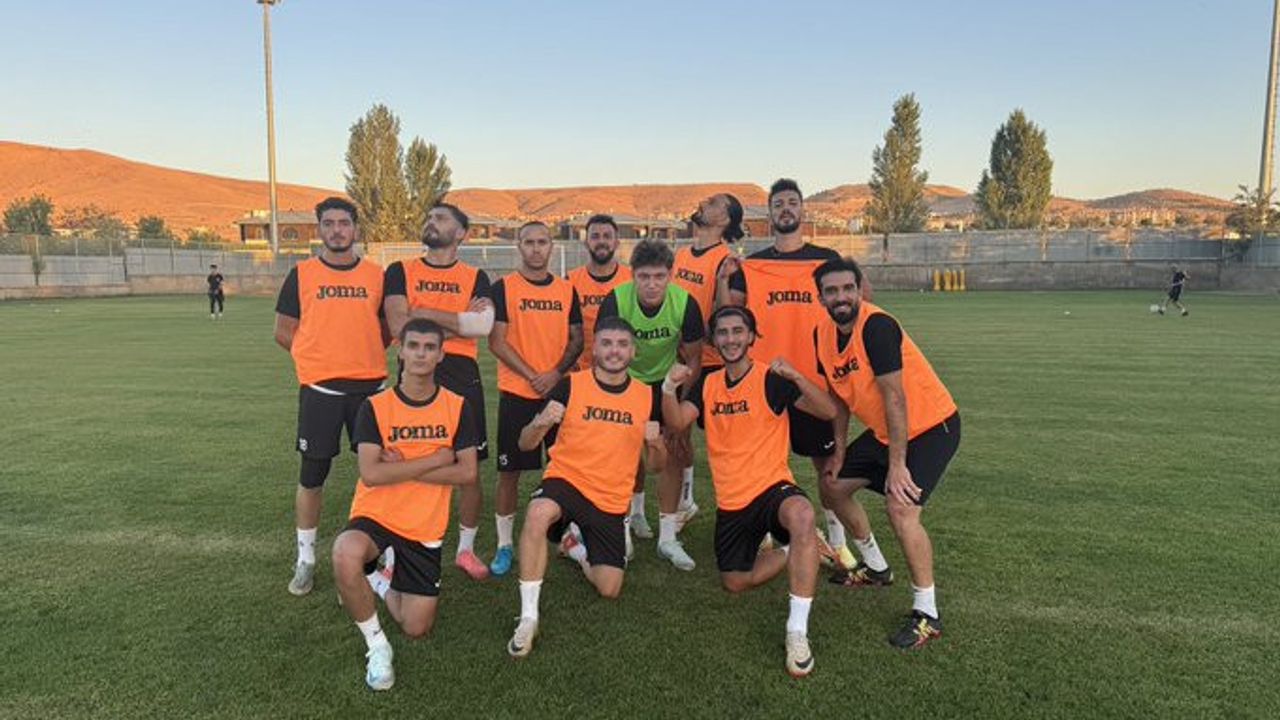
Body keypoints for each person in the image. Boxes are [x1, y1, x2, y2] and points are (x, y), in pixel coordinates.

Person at [661, 306, 837, 677]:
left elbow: (827, 411)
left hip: (772, 488)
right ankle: (797, 548)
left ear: (752, 336)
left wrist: (797, 376)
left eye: (738, 331)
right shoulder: (708, 384)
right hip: (732, 502)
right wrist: (668, 387)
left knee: (802, 514)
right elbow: (676, 423)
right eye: (722, 332)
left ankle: (797, 630)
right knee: (735, 582)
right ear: (714, 340)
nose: (731, 339)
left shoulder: (771, 379)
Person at [813, 257, 961, 650]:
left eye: (848, 288)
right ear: (821, 297)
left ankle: (927, 613)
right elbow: (837, 400)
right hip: (887, 431)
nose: (842, 297)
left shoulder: (877, 326)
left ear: (859, 288)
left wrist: (897, 466)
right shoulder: (821, 334)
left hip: (931, 426)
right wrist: (839, 452)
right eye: (832, 291)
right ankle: (876, 568)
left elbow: (895, 398)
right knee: (832, 486)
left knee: (901, 508)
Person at [332, 318, 479, 690]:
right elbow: (371, 474)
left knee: (416, 626)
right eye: (413, 346)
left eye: (430, 347)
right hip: (377, 513)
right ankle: (377, 646)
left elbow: (467, 473)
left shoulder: (458, 406)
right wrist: (435, 459)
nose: (421, 354)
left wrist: (401, 468)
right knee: (345, 552)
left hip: (424, 525)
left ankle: (377, 579)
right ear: (401, 350)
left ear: (441, 354)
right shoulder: (375, 406)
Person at [718, 178, 857, 571]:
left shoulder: (826, 260)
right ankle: (762, 532)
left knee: (827, 468)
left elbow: (858, 306)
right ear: (770, 213)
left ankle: (837, 541)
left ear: (802, 210)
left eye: (792, 202)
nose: (785, 209)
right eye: (778, 203)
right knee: (759, 463)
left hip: (814, 383)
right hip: (766, 385)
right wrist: (724, 280)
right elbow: (731, 315)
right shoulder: (753, 266)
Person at [506, 316, 666, 658]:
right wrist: (541, 421)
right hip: (567, 480)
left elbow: (656, 467)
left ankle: (575, 548)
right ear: (595, 349)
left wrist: (655, 445)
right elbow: (524, 443)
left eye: (622, 344)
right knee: (538, 513)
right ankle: (528, 617)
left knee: (609, 588)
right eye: (606, 343)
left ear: (633, 351)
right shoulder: (570, 386)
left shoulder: (645, 396)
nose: (614, 351)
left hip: (611, 497)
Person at [274, 196, 388, 597]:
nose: (337, 230)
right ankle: (305, 558)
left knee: (377, 476)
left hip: (371, 389)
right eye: (329, 223)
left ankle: (374, 557)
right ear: (319, 228)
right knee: (312, 475)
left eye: (344, 223)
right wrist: (318, 360)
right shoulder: (302, 274)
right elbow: (283, 331)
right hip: (321, 390)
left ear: (356, 228)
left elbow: (386, 328)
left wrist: (362, 353)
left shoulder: (376, 275)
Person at [383, 202, 494, 581]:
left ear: (461, 233)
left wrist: (423, 312)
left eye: (441, 218)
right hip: (413, 374)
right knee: (403, 462)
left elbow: (482, 326)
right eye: (429, 217)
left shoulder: (476, 276)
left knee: (469, 470)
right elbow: (399, 327)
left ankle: (465, 549)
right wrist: (459, 322)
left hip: (462, 376)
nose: (431, 222)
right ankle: (396, 552)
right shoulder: (400, 270)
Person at [596, 239, 705, 570]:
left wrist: (679, 409)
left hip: (664, 383)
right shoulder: (616, 300)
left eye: (659, 276)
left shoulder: (684, 302)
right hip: (625, 382)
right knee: (625, 453)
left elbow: (694, 358)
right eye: (644, 276)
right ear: (633, 275)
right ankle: (630, 518)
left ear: (670, 275)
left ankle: (667, 538)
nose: (652, 284)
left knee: (671, 452)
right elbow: (603, 352)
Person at [487, 221, 585, 576]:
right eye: (529, 242)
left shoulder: (566, 289)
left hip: (558, 391)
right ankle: (504, 544)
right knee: (509, 471)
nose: (536, 248)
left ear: (551, 247)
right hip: (518, 392)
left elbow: (577, 339)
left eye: (542, 242)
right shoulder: (503, 288)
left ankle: (567, 535)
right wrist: (533, 376)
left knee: (565, 468)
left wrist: (555, 374)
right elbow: (496, 341)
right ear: (519, 246)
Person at [669, 193, 744, 525]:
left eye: (713, 202)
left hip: (713, 363)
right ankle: (685, 502)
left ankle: (748, 510)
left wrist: (723, 282)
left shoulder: (728, 261)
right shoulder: (682, 255)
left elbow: (731, 318)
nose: (703, 202)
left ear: (725, 219)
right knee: (677, 433)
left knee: (727, 442)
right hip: (678, 359)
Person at [566, 214, 632, 370]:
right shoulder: (570, 281)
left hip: (623, 368)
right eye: (595, 236)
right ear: (586, 242)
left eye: (607, 236)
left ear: (616, 242)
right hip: (581, 369)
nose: (601, 241)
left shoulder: (631, 279)